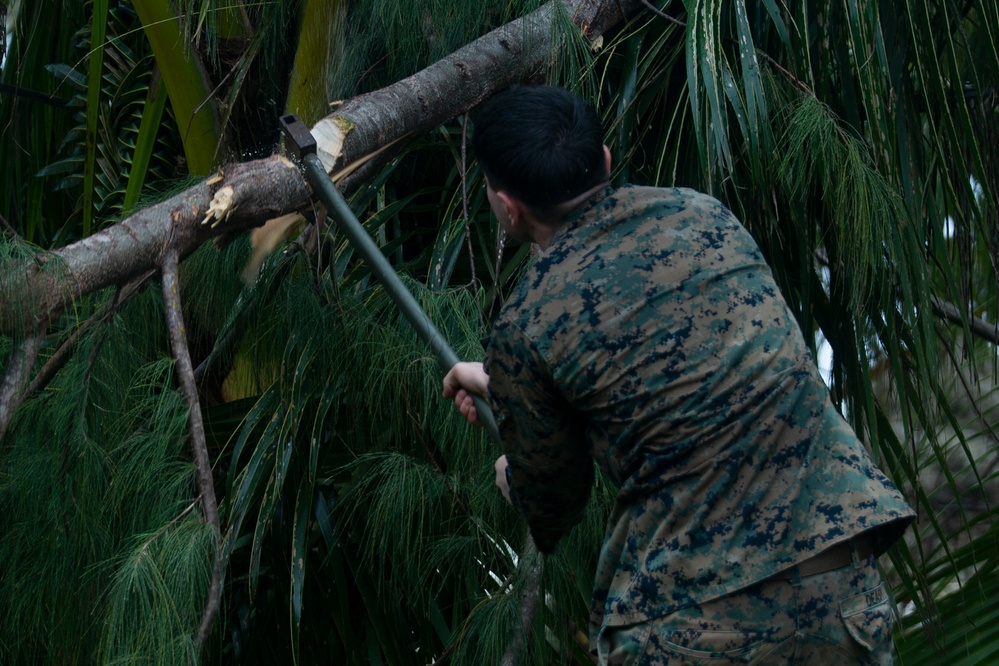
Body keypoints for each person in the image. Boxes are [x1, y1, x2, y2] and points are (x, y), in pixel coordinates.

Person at [442, 85, 914, 665]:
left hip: (698, 629)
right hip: (840, 595)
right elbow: (694, 374)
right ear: (606, 160)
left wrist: (511, 468)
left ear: (507, 206)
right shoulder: (702, 215)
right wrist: (506, 388)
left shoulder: (525, 326)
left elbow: (555, 504)